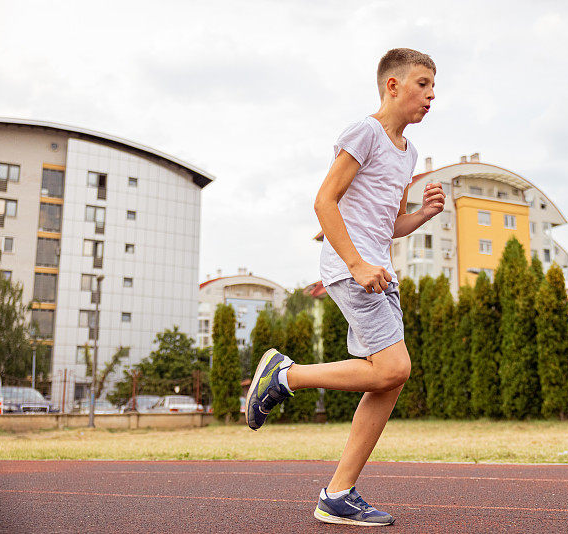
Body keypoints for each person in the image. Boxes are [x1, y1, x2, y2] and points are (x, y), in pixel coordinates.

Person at [244, 48, 443, 526]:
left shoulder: (408, 152)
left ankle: (338, 493)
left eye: (435, 87)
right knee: (395, 366)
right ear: (392, 85)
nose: (431, 95)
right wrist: (355, 265)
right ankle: (284, 376)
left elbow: (385, 221)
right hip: (353, 269)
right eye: (422, 83)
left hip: (379, 273)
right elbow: (325, 201)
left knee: (389, 379)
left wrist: (421, 217)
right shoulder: (365, 131)